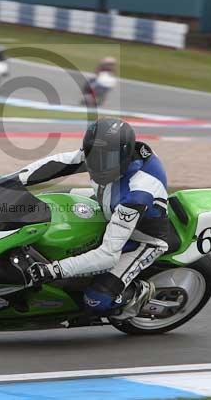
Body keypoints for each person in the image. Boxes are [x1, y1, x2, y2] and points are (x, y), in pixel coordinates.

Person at [14, 118, 178, 319]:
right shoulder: (104, 153)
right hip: (107, 205)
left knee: (96, 301)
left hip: (140, 238)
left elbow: (108, 256)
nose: (96, 165)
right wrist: (12, 181)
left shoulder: (138, 192)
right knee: (47, 202)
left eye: (105, 160)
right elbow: (57, 164)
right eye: (92, 156)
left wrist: (53, 270)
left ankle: (138, 294)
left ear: (123, 156)